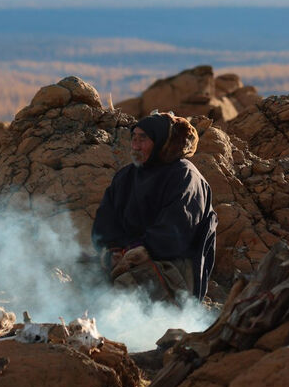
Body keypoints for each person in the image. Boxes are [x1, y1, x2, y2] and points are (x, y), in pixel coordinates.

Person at [92, 112, 217, 301]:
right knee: (79, 275)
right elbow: (106, 220)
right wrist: (113, 250)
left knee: (124, 290)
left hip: (171, 263)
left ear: (161, 142)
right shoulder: (126, 176)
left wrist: (141, 249)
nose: (135, 145)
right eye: (134, 138)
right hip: (128, 258)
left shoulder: (184, 176)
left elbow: (176, 230)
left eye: (143, 139)